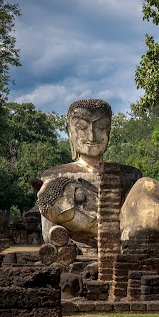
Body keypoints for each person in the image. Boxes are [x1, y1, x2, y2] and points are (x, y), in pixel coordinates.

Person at [38, 99, 141, 246]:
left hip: (121, 247)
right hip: (74, 249)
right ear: (69, 132)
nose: (92, 136)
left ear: (109, 130)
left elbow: (135, 222)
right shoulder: (54, 176)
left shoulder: (130, 175)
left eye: (101, 127)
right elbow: (50, 232)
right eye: (81, 127)